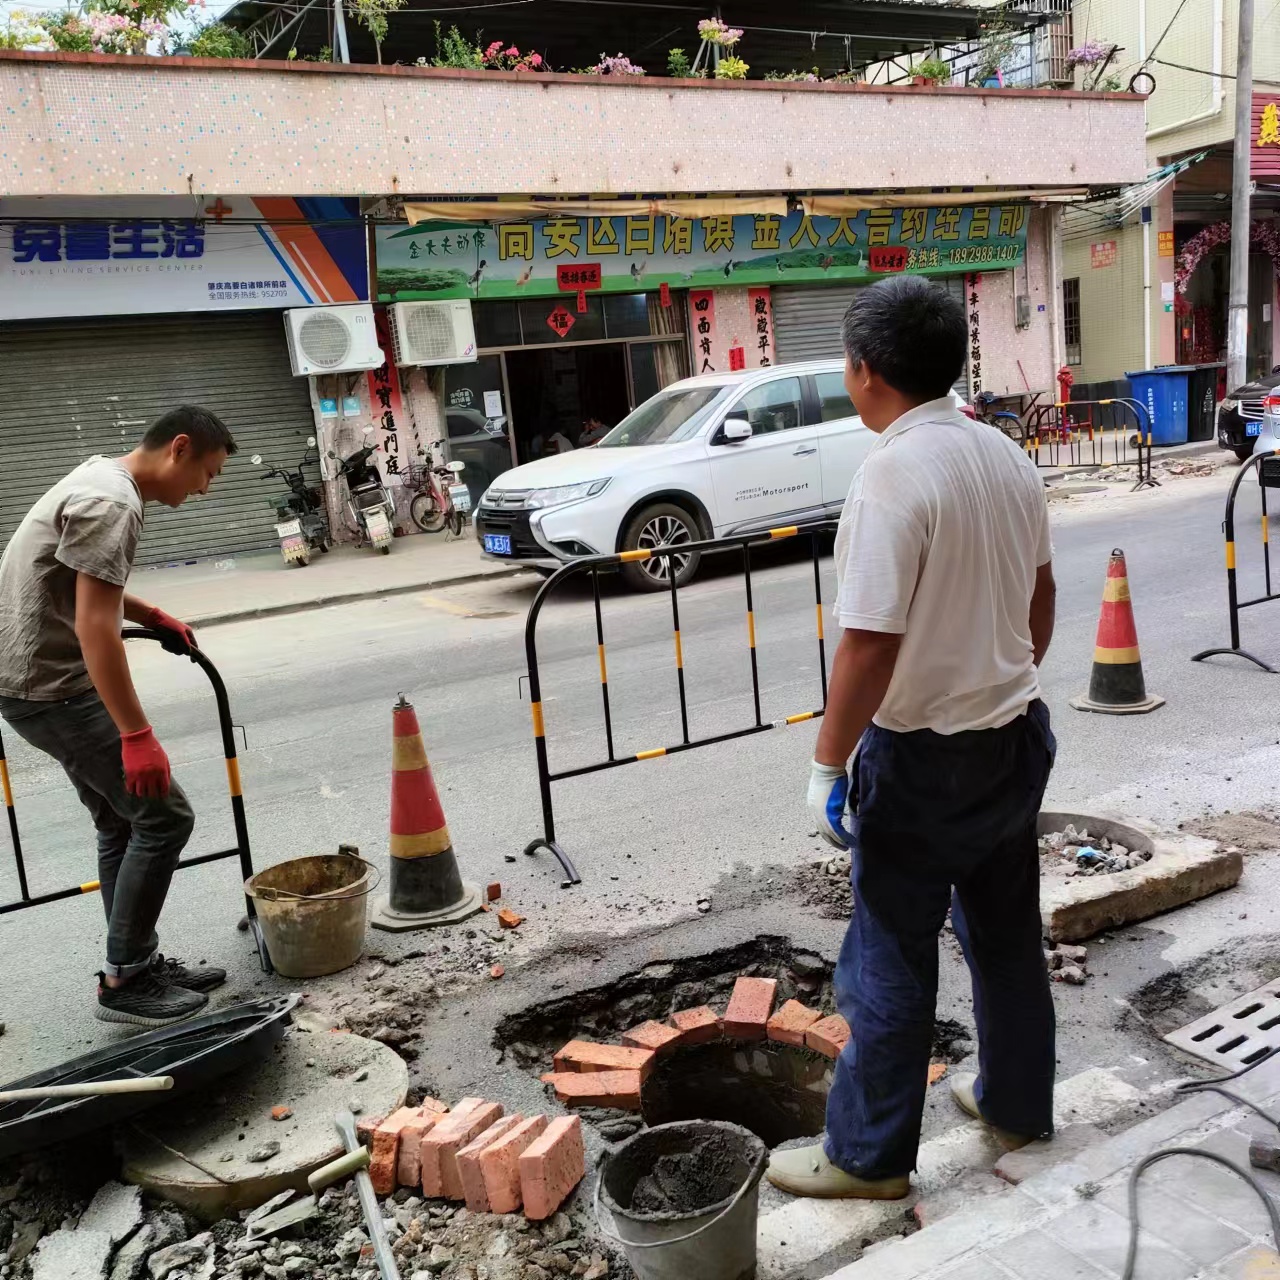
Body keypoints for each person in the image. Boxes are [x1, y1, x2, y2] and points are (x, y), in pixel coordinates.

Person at [767, 277, 1058, 1200]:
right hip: (1009, 737)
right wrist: (992, 676)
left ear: (864, 373)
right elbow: (1039, 601)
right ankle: (1016, 1104)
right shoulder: (1003, 456)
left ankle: (868, 1158)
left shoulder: (892, 474)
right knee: (1006, 937)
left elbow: (869, 645)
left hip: (925, 759)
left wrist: (825, 764)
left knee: (888, 955)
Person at [0, 406, 238, 1028]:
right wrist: (137, 736)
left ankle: (133, 960)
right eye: (207, 474)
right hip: (50, 687)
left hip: (30, 681)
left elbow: (78, 579)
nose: (205, 489)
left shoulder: (99, 477)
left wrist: (151, 612)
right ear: (178, 449)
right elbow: (94, 625)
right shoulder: (115, 503)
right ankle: (126, 978)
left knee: (121, 821)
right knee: (163, 817)